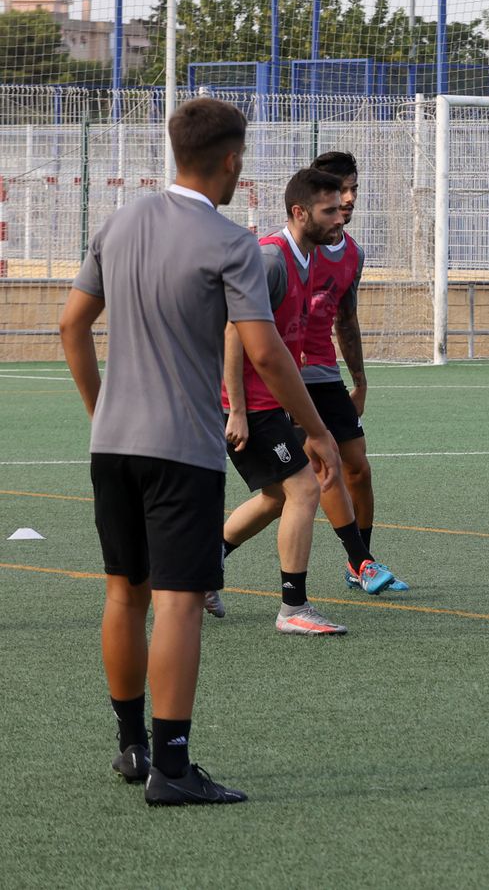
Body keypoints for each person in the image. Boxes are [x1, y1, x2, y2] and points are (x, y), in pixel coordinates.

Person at [60, 98, 340, 805]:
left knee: (124, 592)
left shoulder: (119, 223)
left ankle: (132, 747)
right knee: (180, 604)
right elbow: (266, 353)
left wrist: (101, 411)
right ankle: (173, 768)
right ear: (232, 161)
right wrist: (315, 430)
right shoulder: (232, 243)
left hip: (112, 446)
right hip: (181, 448)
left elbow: (71, 326)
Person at [218, 168, 396, 637]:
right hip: (251, 404)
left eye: (342, 207)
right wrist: (238, 409)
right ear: (300, 212)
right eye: (330, 210)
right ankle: (293, 606)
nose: (341, 216)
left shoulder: (309, 258)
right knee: (304, 489)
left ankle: (204, 565)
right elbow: (234, 330)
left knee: (278, 496)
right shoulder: (270, 259)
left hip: (273, 400)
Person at [305, 151, 409, 592]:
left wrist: (361, 382)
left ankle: (359, 562)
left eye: (353, 190)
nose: (348, 199)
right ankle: (362, 563)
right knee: (316, 470)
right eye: (339, 190)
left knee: (358, 469)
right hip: (286, 378)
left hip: (326, 374)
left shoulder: (353, 254)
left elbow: (345, 320)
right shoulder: (284, 249)